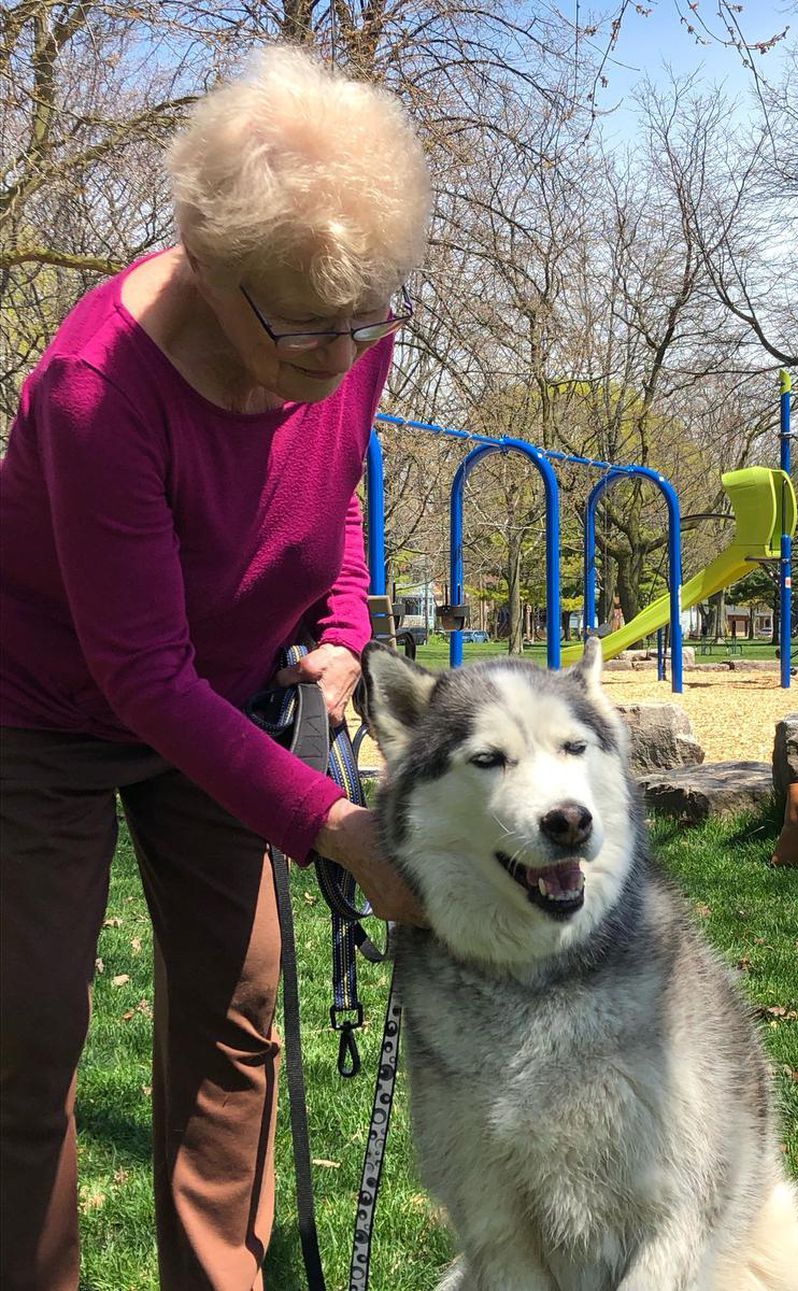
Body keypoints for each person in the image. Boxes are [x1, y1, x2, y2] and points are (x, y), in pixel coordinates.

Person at [0, 46, 430, 1291]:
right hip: (44, 713)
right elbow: (139, 671)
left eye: (365, 324)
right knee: (25, 1030)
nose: (336, 359)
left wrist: (343, 631)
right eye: (302, 330)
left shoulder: (343, 325)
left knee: (240, 1012)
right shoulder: (95, 388)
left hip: (229, 704)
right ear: (207, 261)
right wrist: (337, 828)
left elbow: (334, 491)